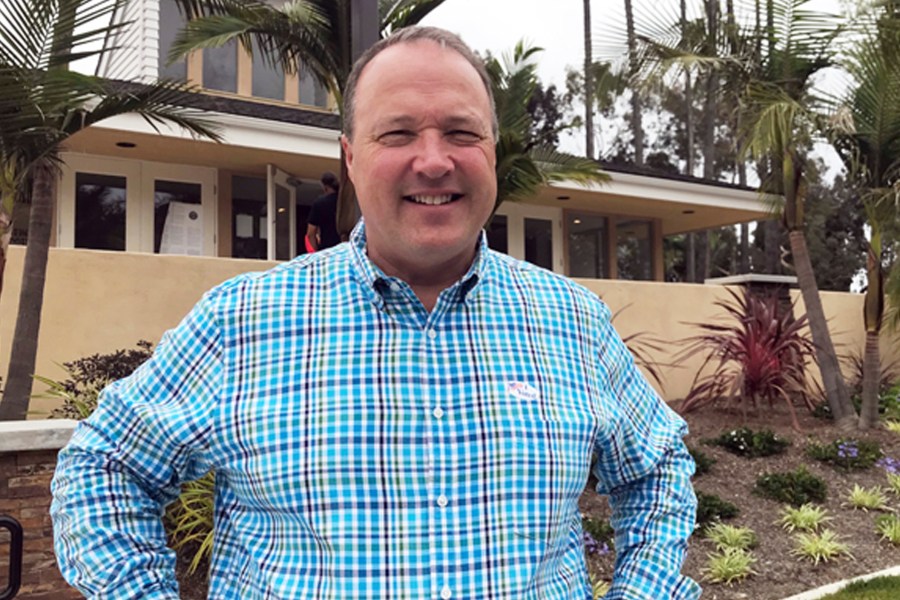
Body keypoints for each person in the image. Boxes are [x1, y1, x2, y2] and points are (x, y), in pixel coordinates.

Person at [51, 26, 700, 599]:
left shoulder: (574, 323)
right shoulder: (241, 323)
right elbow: (106, 466)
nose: (434, 159)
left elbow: (657, 468)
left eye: (460, 132)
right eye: (398, 133)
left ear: (492, 154)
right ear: (352, 159)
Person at [305, 171, 341, 251]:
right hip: (346, 248)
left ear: (325, 187)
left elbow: (311, 233)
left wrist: (316, 252)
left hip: (327, 248)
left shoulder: (319, 203)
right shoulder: (345, 202)